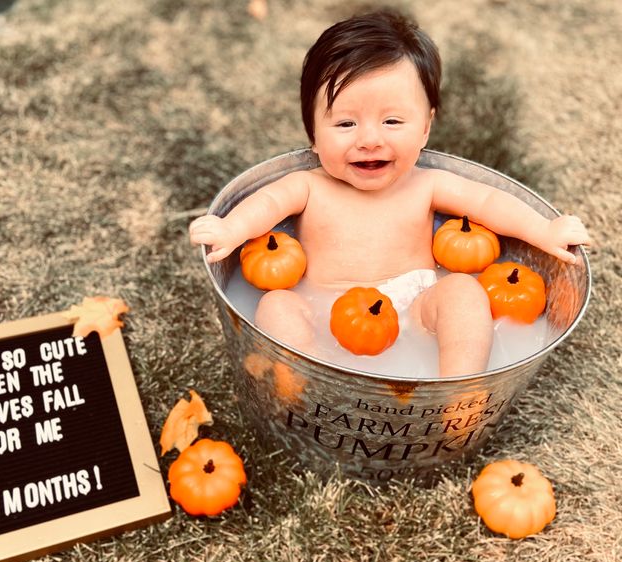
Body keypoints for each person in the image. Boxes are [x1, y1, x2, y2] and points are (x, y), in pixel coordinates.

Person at [188, 8, 589, 377]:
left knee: (464, 293)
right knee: (275, 305)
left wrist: (544, 231)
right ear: (313, 134)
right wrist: (231, 229)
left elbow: (488, 202)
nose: (369, 140)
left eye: (393, 121)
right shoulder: (309, 186)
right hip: (322, 307)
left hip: (416, 304)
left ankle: (459, 386)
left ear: (426, 128)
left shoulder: (426, 184)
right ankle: (314, 382)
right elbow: (266, 203)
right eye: (345, 124)